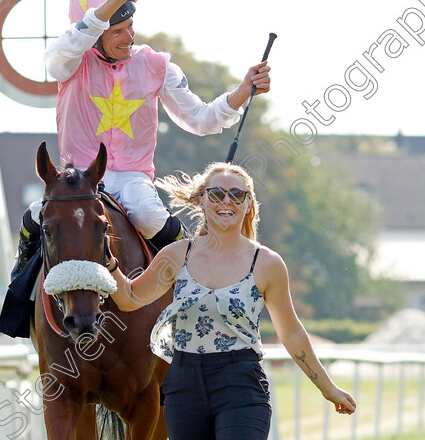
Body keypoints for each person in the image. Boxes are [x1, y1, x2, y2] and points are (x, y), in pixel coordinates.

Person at [4, 0, 271, 312]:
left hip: (132, 178)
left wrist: (241, 93)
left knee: (148, 217)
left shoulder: (157, 65)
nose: (129, 38)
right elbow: (65, 48)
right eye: (118, 31)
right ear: (95, 34)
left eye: (131, 27)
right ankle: (21, 281)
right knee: (37, 215)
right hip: (78, 178)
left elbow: (202, 119)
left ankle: (197, 289)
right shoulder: (69, 63)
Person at [105, 162, 356, 439]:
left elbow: (292, 332)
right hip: (183, 387)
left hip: (242, 385)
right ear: (201, 200)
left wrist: (327, 387)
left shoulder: (267, 263)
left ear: (249, 204)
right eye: (216, 194)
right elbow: (129, 298)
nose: (227, 202)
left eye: (237, 195)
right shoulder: (175, 255)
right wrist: (108, 263)